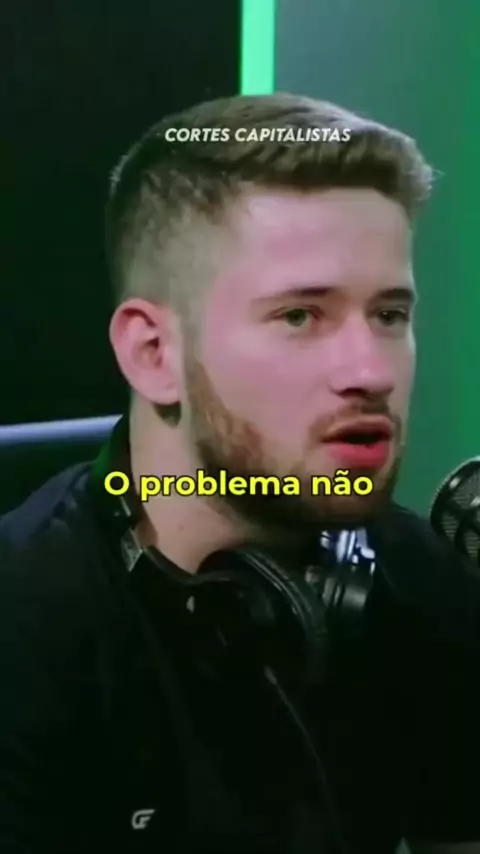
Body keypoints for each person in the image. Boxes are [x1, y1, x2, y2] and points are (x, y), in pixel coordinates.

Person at [1, 93, 480, 854]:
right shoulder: (29, 627)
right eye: (300, 316)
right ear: (153, 354)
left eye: (389, 315)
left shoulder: (420, 578)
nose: (370, 371)